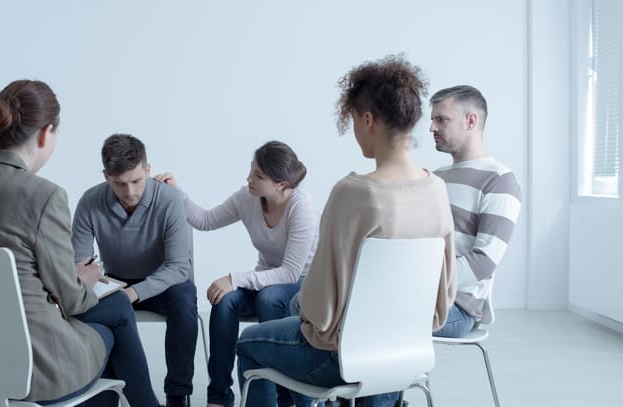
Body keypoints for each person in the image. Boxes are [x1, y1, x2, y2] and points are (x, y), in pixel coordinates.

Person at [235, 55, 457, 407]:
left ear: (367, 120)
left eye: (353, 119)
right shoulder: (437, 189)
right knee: (374, 349)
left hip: (340, 357)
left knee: (248, 345)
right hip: (407, 352)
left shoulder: (353, 192)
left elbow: (319, 311)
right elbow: (444, 295)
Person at [0, 80, 160, 406]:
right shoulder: (43, 196)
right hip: (35, 370)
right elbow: (73, 302)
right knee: (115, 313)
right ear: (45, 133)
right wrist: (82, 278)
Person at [154, 140, 319, 407]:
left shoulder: (302, 208)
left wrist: (234, 279)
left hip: (301, 284)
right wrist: (178, 192)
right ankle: (219, 397)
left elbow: (290, 273)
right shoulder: (248, 198)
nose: (249, 178)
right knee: (225, 301)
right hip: (266, 281)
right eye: (251, 170)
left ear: (281, 184)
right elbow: (206, 220)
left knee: (269, 298)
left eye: (258, 175)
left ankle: (284, 396)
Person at [71, 134, 196, 407]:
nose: (129, 191)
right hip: (115, 281)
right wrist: (104, 283)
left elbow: (179, 267)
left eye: (136, 181)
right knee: (90, 309)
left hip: (164, 281)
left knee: (185, 303)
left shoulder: (169, 199)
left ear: (148, 170)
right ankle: (103, 395)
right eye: (119, 183)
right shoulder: (90, 201)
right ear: (106, 176)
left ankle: (177, 395)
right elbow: (79, 265)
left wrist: (135, 293)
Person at [429, 85, 522, 338]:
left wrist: (418, 278)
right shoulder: (436, 177)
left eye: (441, 119)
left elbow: (483, 263)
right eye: (432, 119)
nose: (432, 128)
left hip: (456, 309)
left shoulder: (499, 180)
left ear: (471, 121)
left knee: (355, 314)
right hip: (420, 293)